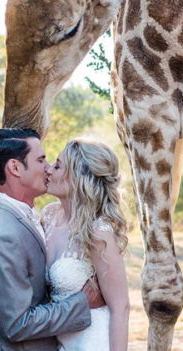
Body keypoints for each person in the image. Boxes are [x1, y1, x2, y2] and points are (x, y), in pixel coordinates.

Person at [0, 128, 103, 351]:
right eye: (41, 159)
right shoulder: (5, 235)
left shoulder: (6, 215)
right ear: (15, 168)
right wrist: (81, 303)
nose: (48, 167)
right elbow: (17, 324)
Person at [42, 138, 130, 351]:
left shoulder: (98, 233)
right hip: (58, 342)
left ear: (77, 177)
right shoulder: (48, 216)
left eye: (57, 165)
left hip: (93, 342)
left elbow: (121, 308)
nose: (48, 170)